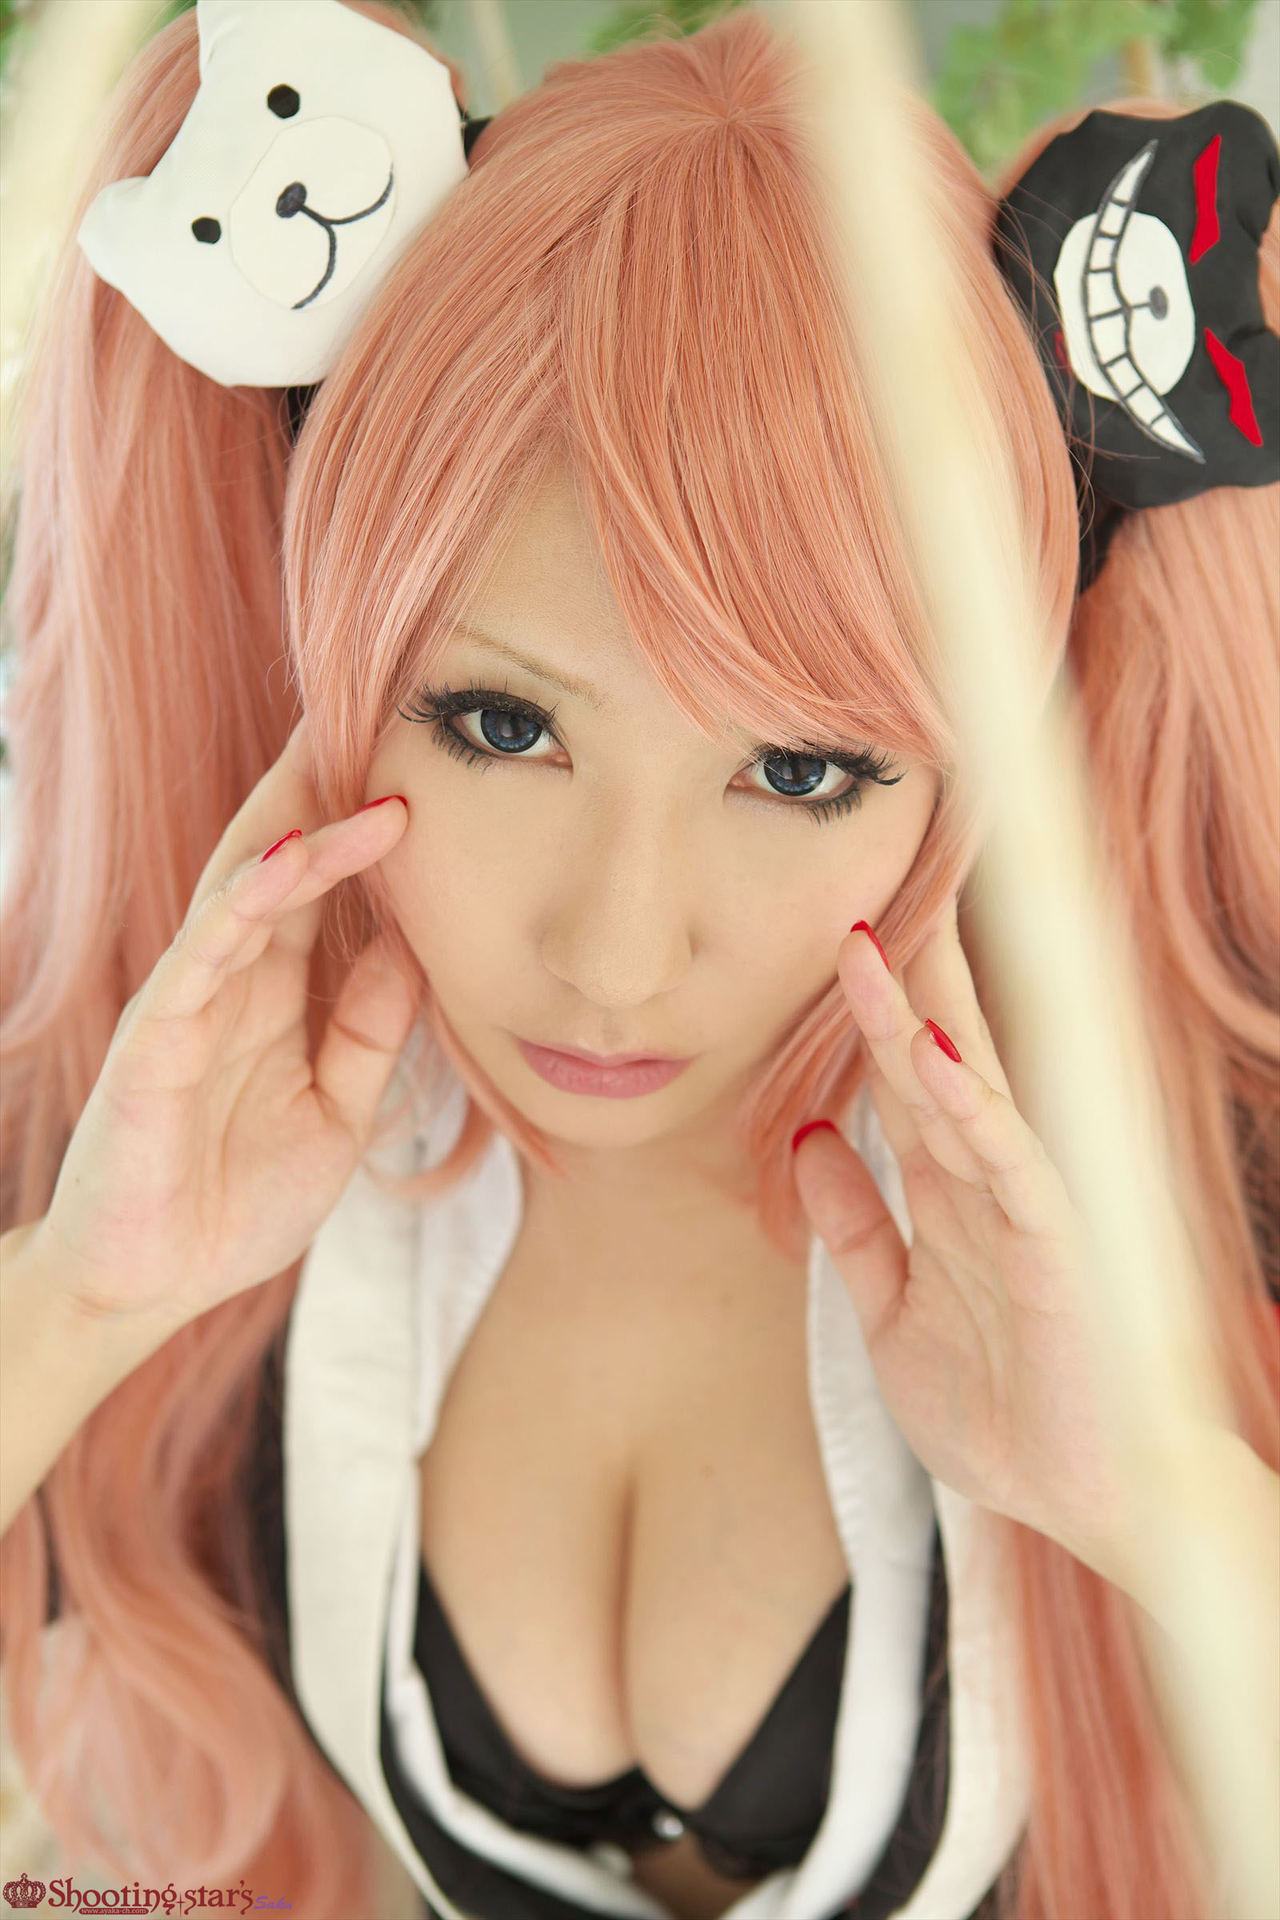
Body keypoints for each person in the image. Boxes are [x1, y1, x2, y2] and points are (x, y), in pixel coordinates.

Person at [1, 4, 1276, 1918]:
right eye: (502, 726)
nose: (615, 951)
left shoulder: (1220, 1159)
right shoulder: (160, 1126)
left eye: (804, 770)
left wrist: (1156, 1499)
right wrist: (84, 1298)